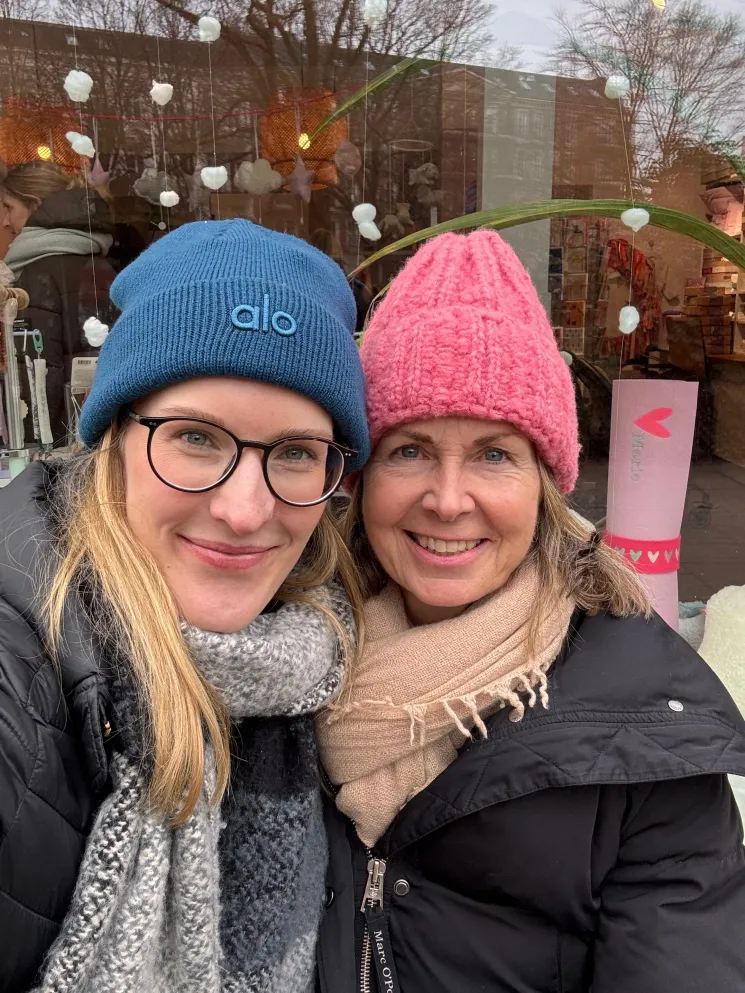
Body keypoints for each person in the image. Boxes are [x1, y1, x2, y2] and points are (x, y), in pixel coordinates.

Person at [316, 230, 745, 993]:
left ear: (545, 484)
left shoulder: (646, 735)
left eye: (493, 454)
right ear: (361, 477)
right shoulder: (282, 674)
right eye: (409, 449)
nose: (448, 500)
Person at [0, 219, 369, 993]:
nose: (243, 509)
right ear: (113, 439)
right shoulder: (17, 677)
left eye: (294, 453)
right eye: (197, 437)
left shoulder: (318, 657)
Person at [1, 161, 117, 443]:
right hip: (100, 429)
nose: (5, 221)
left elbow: (36, 372)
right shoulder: (98, 263)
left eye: (9, 207)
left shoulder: (38, 273)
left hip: (59, 441)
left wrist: (31, 446)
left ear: (35, 205)